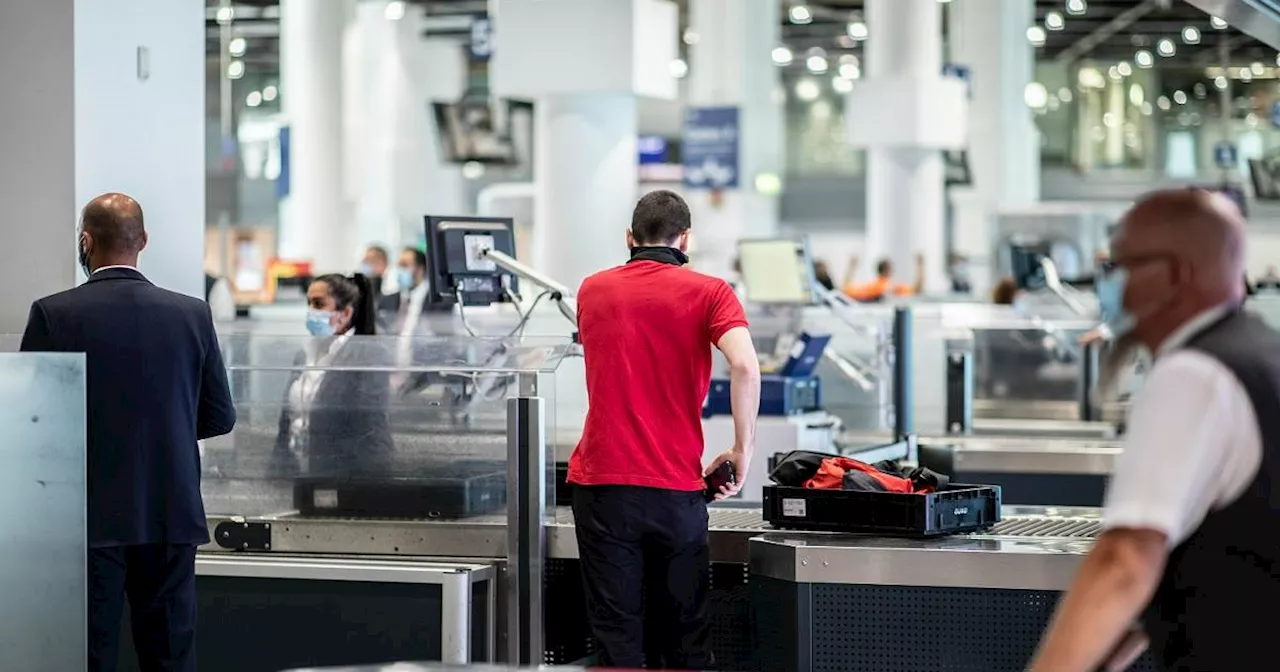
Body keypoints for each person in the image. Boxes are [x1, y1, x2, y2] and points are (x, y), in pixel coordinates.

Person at [1030, 189, 1279, 672]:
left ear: (1174, 275)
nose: (1109, 283)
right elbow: (1215, 552)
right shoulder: (1261, 353)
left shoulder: (1193, 373)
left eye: (1120, 265)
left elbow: (1125, 560)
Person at [20, 193, 236, 672]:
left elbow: (33, 427)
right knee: (170, 657)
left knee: (87, 657)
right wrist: (168, 431)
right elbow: (220, 416)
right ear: (143, 241)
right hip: (170, 516)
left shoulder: (54, 314)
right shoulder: (192, 314)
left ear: (86, 241)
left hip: (84, 520)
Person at [569, 190, 761, 669]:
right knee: (685, 642)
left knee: (618, 645)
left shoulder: (592, 288)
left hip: (603, 487)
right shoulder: (711, 292)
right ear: (686, 238)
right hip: (675, 490)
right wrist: (743, 449)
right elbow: (746, 366)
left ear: (630, 238)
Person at [274, 273, 393, 478]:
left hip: (350, 475)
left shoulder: (369, 355)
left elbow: (364, 425)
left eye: (319, 304)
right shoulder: (305, 355)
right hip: (302, 471)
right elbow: (287, 422)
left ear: (345, 313)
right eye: (309, 303)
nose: (311, 311)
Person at [842, 253, 925, 302]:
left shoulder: (884, 286)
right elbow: (918, 290)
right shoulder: (884, 287)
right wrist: (920, 266)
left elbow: (846, 289)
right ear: (886, 270)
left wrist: (852, 267)